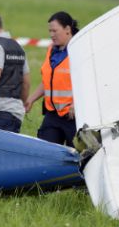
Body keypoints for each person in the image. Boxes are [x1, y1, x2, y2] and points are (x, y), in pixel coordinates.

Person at [24, 11, 79, 147]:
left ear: (67, 29)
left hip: (74, 116)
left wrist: (77, 104)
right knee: (45, 153)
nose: (51, 35)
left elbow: (90, 82)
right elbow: (48, 82)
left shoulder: (79, 50)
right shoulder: (51, 50)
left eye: (55, 31)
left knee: (79, 158)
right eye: (50, 31)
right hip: (53, 115)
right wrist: (31, 99)